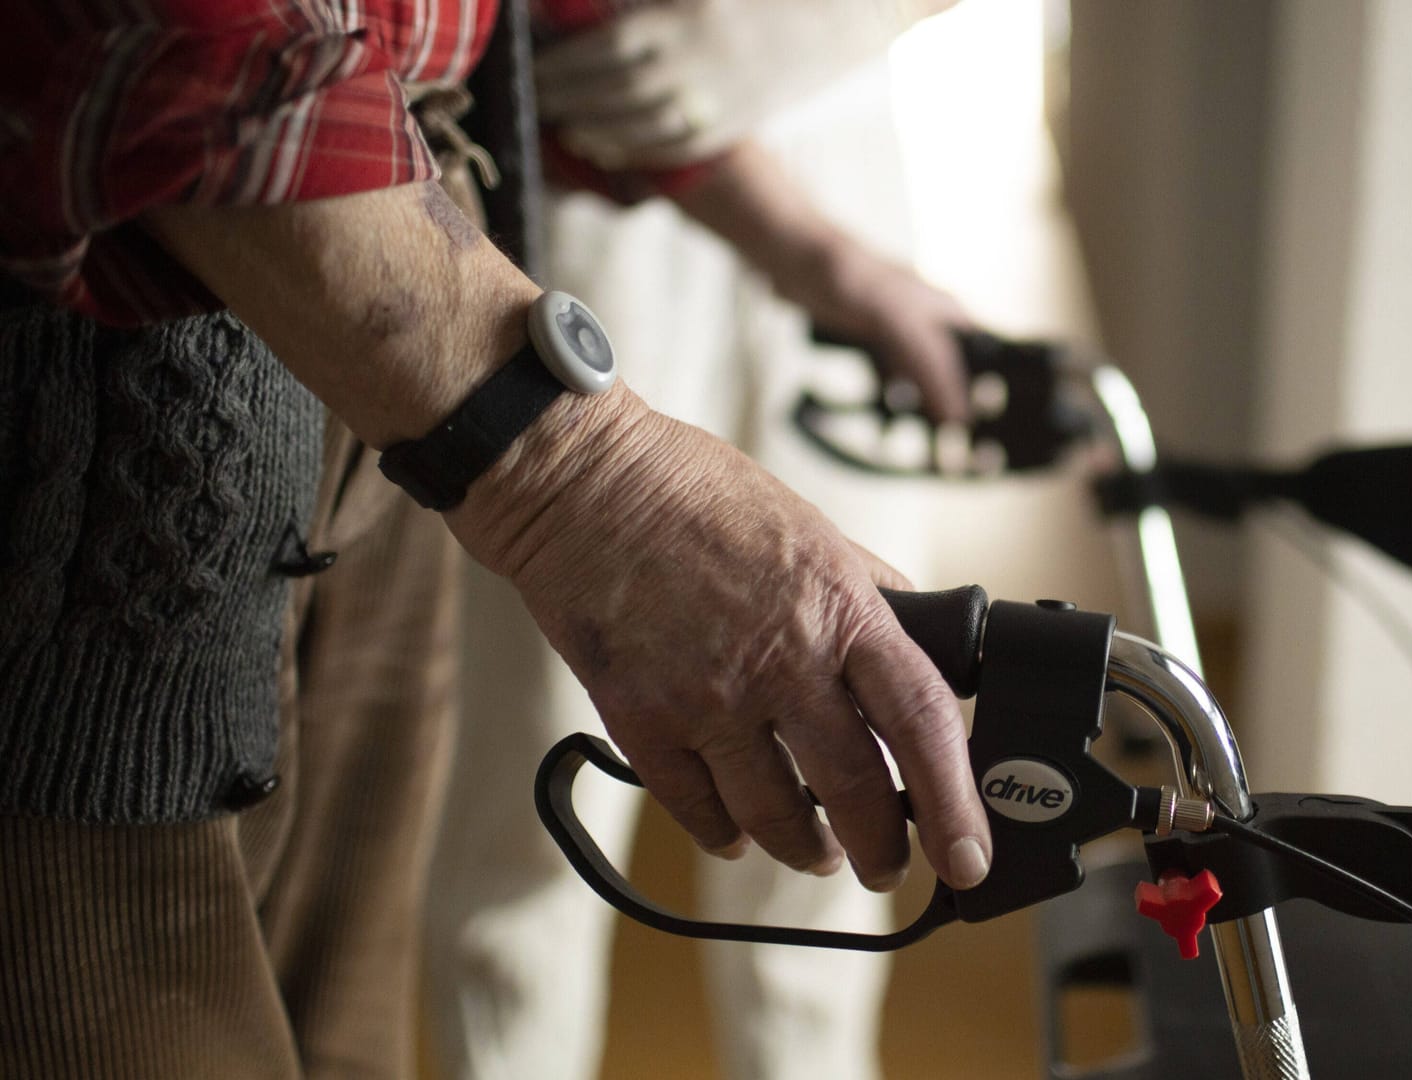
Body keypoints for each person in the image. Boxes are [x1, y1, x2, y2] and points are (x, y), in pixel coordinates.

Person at [0, 1, 987, 1075]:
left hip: (398, 342)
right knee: (162, 1010)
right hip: (145, 413)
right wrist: (576, 473)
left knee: (343, 1026)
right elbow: (187, 39)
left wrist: (816, 250)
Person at [426, 5, 965, 1078]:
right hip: (581, 164)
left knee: (851, 746)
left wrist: (814, 22)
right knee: (539, 765)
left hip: (832, 120)